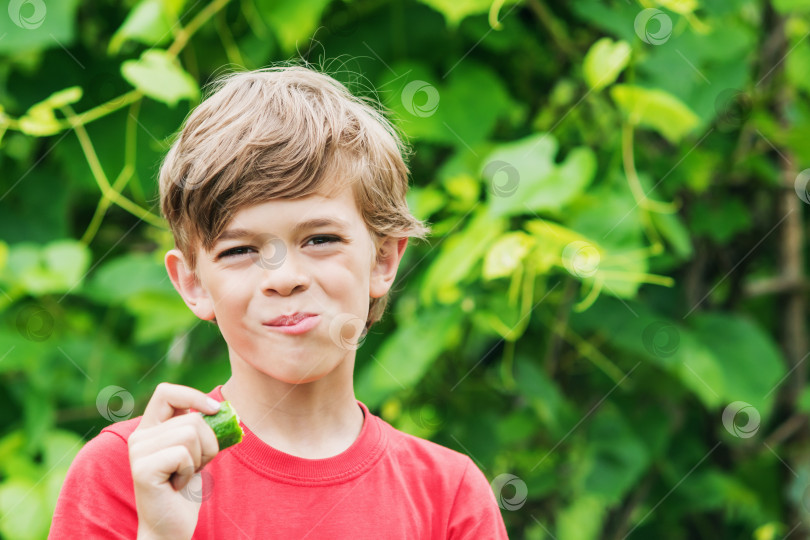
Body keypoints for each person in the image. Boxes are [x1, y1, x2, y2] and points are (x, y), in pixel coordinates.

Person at [48, 64, 510, 539]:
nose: (284, 278)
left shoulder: (448, 495)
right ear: (193, 283)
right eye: (240, 250)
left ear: (383, 259)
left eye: (320, 239)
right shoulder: (130, 473)